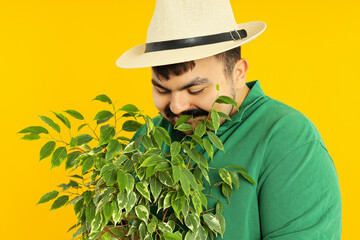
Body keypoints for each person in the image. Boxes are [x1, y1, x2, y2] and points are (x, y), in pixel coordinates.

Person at [116, 0, 342, 239]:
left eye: (195, 90)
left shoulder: (289, 140)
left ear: (238, 74)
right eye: (162, 91)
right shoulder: (148, 138)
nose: (176, 107)